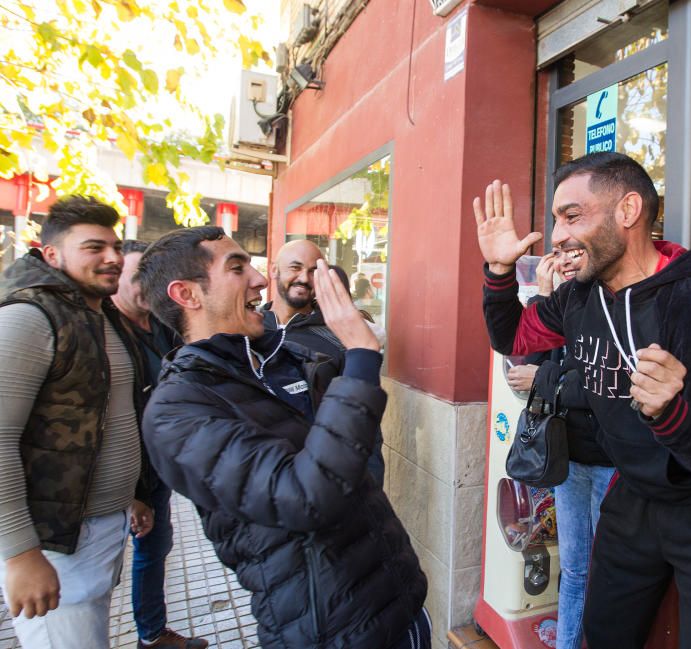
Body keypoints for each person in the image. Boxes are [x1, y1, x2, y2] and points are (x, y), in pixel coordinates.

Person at [474, 152, 691, 649]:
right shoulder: (581, 295)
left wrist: (671, 414)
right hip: (630, 496)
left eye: (572, 216)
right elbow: (515, 338)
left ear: (627, 211)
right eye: (557, 219)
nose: (557, 235)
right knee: (602, 635)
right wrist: (499, 272)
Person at [137, 226, 428, 648]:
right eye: (237, 268)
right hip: (332, 630)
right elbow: (307, 495)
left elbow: (346, 460)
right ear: (187, 295)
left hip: (395, 602)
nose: (258, 280)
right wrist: (362, 359)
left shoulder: (275, 358)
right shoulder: (176, 411)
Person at [0, 195, 153, 649]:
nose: (112, 258)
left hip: (100, 525)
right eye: (93, 248)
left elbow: (107, 416)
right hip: (54, 539)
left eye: (115, 246)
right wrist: (21, 554)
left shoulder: (97, 315)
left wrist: (131, 495)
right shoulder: (30, 319)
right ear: (51, 254)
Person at [505, 248, 615, 649]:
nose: (568, 261)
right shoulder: (563, 307)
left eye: (576, 254)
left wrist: (548, 377)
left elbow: (606, 391)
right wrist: (543, 298)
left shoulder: (612, 306)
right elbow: (523, 369)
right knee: (573, 567)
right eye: (562, 256)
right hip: (568, 457)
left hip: (612, 463)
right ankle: (569, 641)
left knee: (607, 570)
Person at [112, 240, 204, 649]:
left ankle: (152, 633)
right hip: (118, 475)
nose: (143, 287)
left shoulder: (162, 326)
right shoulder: (106, 333)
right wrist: (130, 495)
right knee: (104, 569)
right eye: (135, 278)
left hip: (156, 465)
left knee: (155, 546)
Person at [262, 239, 385, 485]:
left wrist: (370, 489)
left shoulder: (340, 336)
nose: (304, 278)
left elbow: (364, 422)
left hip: (323, 477)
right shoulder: (248, 333)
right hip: (264, 476)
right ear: (274, 270)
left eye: (313, 271)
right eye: (295, 268)